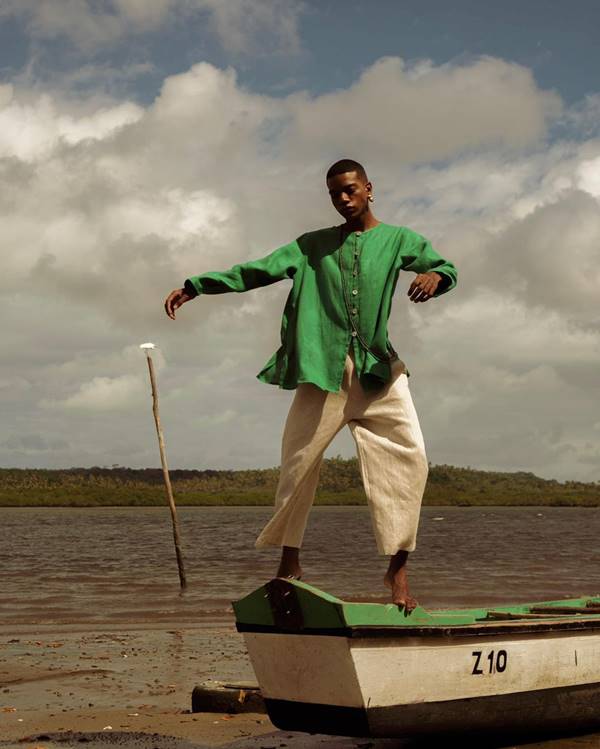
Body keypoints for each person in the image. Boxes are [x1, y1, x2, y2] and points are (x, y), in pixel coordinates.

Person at [164, 159, 457, 612]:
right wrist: (198, 286)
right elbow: (257, 270)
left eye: (351, 189)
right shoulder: (311, 246)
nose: (343, 198)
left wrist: (435, 277)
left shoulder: (398, 239)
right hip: (323, 371)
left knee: (412, 457)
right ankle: (290, 565)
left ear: (369, 190)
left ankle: (397, 570)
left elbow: (443, 266)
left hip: (378, 371)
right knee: (297, 464)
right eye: (335, 193)